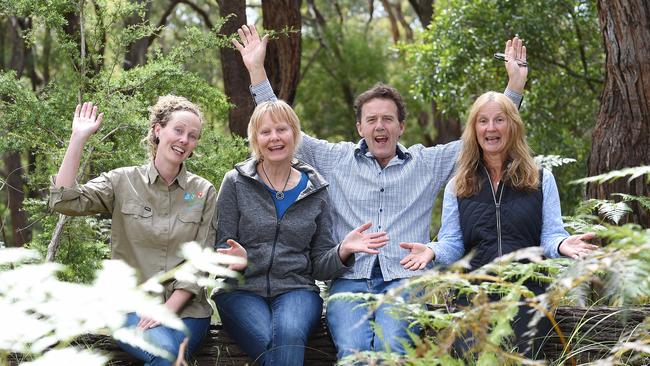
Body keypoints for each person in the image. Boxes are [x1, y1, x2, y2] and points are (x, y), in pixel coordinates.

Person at [231, 24, 528, 358]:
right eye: (371, 120)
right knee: (353, 351)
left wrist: (514, 87)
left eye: (388, 119)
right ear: (360, 127)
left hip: (404, 280)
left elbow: (480, 137)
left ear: (401, 126)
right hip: (350, 281)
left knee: (392, 346)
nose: (379, 126)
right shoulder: (335, 159)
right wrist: (256, 70)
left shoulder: (425, 164)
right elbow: (282, 128)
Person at [49, 96, 228, 366]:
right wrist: (78, 138)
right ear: (158, 130)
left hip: (187, 312)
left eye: (192, 136)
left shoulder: (203, 191)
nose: (184, 140)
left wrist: (166, 311)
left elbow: (201, 262)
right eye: (178, 130)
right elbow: (64, 201)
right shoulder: (122, 181)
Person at [419, 91, 598, 358]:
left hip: (528, 294)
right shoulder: (458, 184)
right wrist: (432, 251)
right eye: (483, 121)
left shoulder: (540, 179)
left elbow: (550, 236)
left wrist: (562, 245)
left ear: (512, 126)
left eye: (499, 120)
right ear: (474, 129)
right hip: (474, 296)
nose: (490, 128)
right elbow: (453, 244)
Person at [212, 100, 389, 365]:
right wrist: (235, 263)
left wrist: (342, 251)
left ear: (294, 134)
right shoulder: (235, 182)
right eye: (265, 132)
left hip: (296, 290)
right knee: (269, 342)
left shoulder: (316, 190)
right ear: (255, 139)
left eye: (281, 130)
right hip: (240, 289)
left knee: (289, 331)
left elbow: (319, 265)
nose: (274, 138)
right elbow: (220, 248)